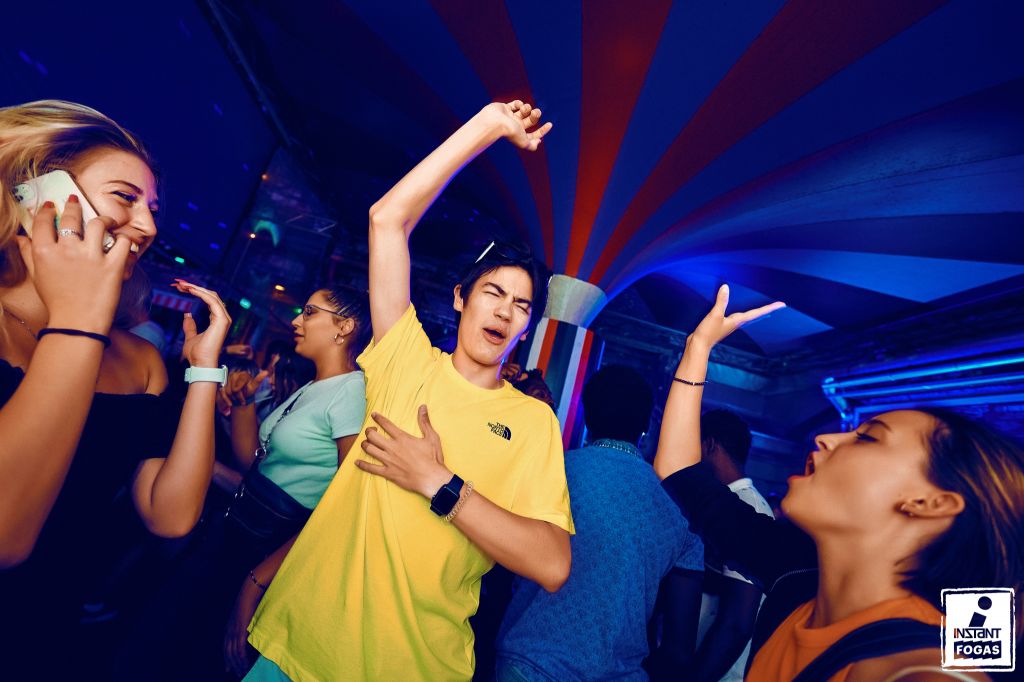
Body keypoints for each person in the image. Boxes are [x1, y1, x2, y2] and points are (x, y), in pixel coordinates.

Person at [237, 100, 573, 682]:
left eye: (521, 306)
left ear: (526, 328)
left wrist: (441, 485)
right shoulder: (405, 358)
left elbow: (552, 563)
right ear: (461, 299)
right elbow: (387, 219)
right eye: (493, 293)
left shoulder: (532, 421)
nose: (505, 311)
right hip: (299, 645)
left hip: (415, 666)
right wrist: (489, 125)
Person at [655, 285, 1022, 681]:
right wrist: (698, 348)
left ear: (929, 502)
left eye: (868, 438)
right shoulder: (792, 567)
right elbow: (679, 470)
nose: (826, 438)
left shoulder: (920, 663)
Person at [0, 100, 231, 677]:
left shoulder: (140, 361)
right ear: (38, 193)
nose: (148, 227)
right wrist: (78, 319)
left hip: (49, 635)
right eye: (125, 198)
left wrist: (204, 371)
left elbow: (170, 516)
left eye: (151, 209)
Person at [115, 286, 370, 680]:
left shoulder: (351, 391)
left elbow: (343, 507)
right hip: (233, 531)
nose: (297, 321)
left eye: (309, 312)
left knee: (187, 654)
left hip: (265, 551)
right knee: (163, 641)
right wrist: (245, 405)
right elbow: (252, 461)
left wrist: (256, 582)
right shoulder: (313, 387)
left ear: (345, 327)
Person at [496, 364, 704, 681]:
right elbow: (679, 649)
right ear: (646, 425)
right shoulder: (676, 509)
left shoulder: (550, 471)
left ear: (587, 416)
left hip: (528, 664)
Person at [690, 409, 772, 682]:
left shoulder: (749, 509)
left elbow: (737, 622)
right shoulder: (722, 503)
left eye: (692, 445)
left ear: (709, 445)